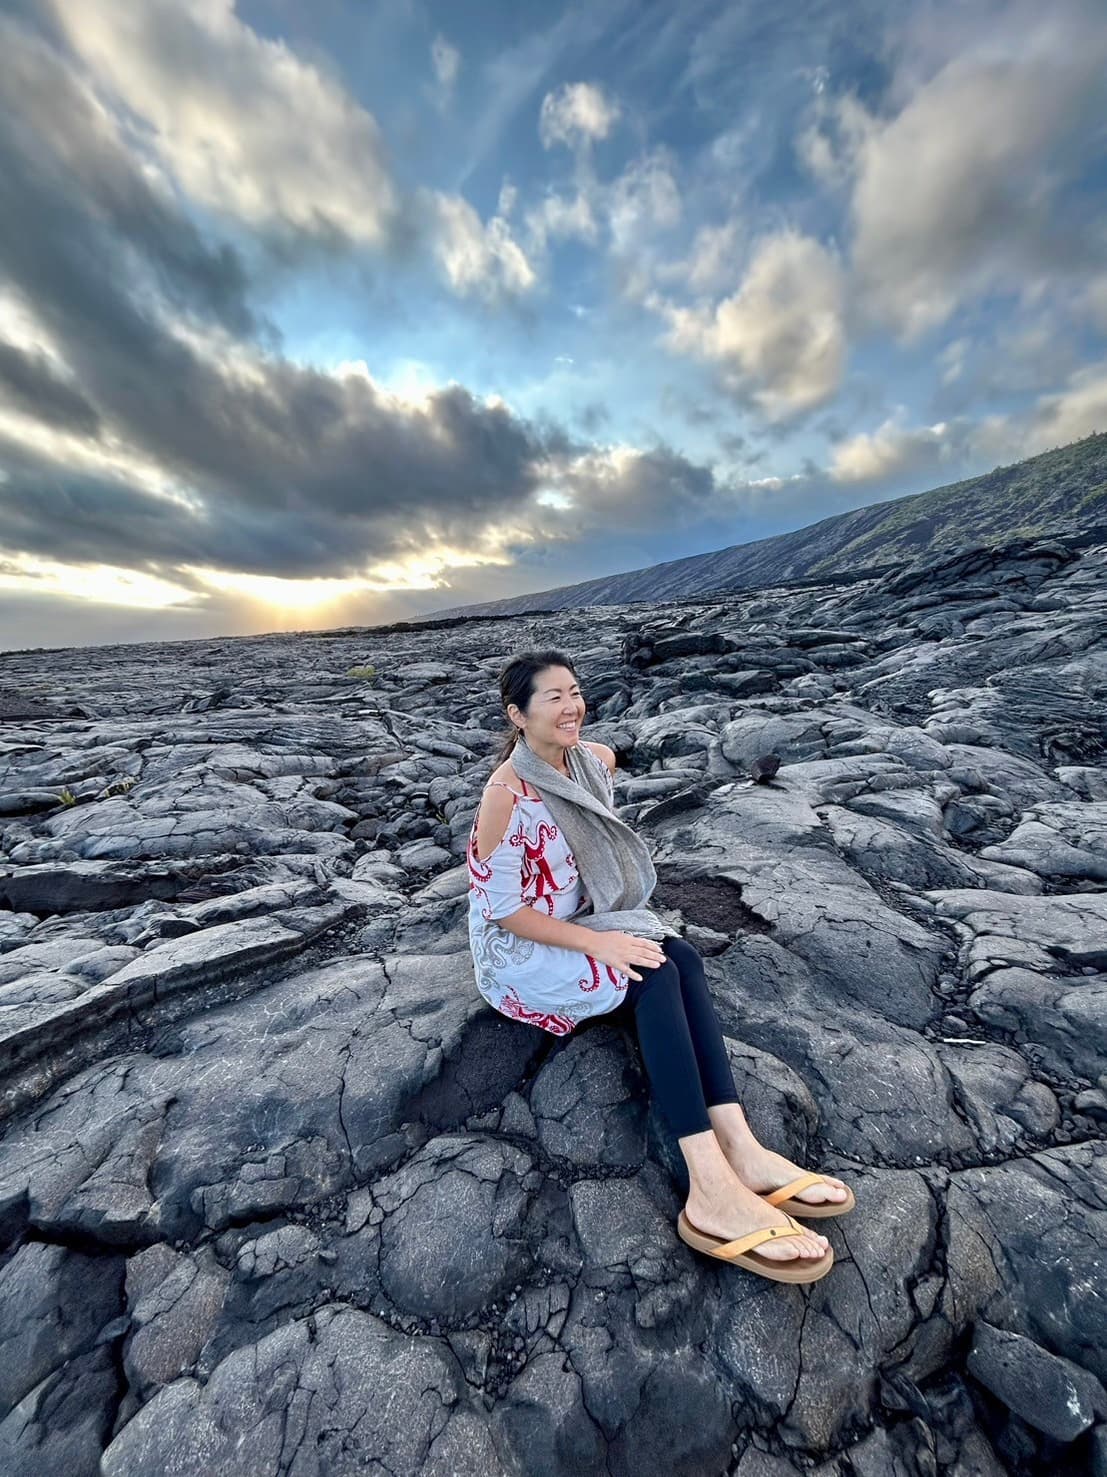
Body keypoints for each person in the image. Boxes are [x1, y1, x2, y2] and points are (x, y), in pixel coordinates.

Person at [466, 648, 854, 1283]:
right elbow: (503, 912)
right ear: (517, 714)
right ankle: (709, 1190)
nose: (571, 706)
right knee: (651, 975)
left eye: (575, 692)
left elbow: (607, 764)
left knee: (682, 957)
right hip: (524, 950)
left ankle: (744, 1151)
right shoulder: (505, 796)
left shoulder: (588, 762)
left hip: (581, 923)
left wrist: (604, 932)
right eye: (552, 698)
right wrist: (602, 945)